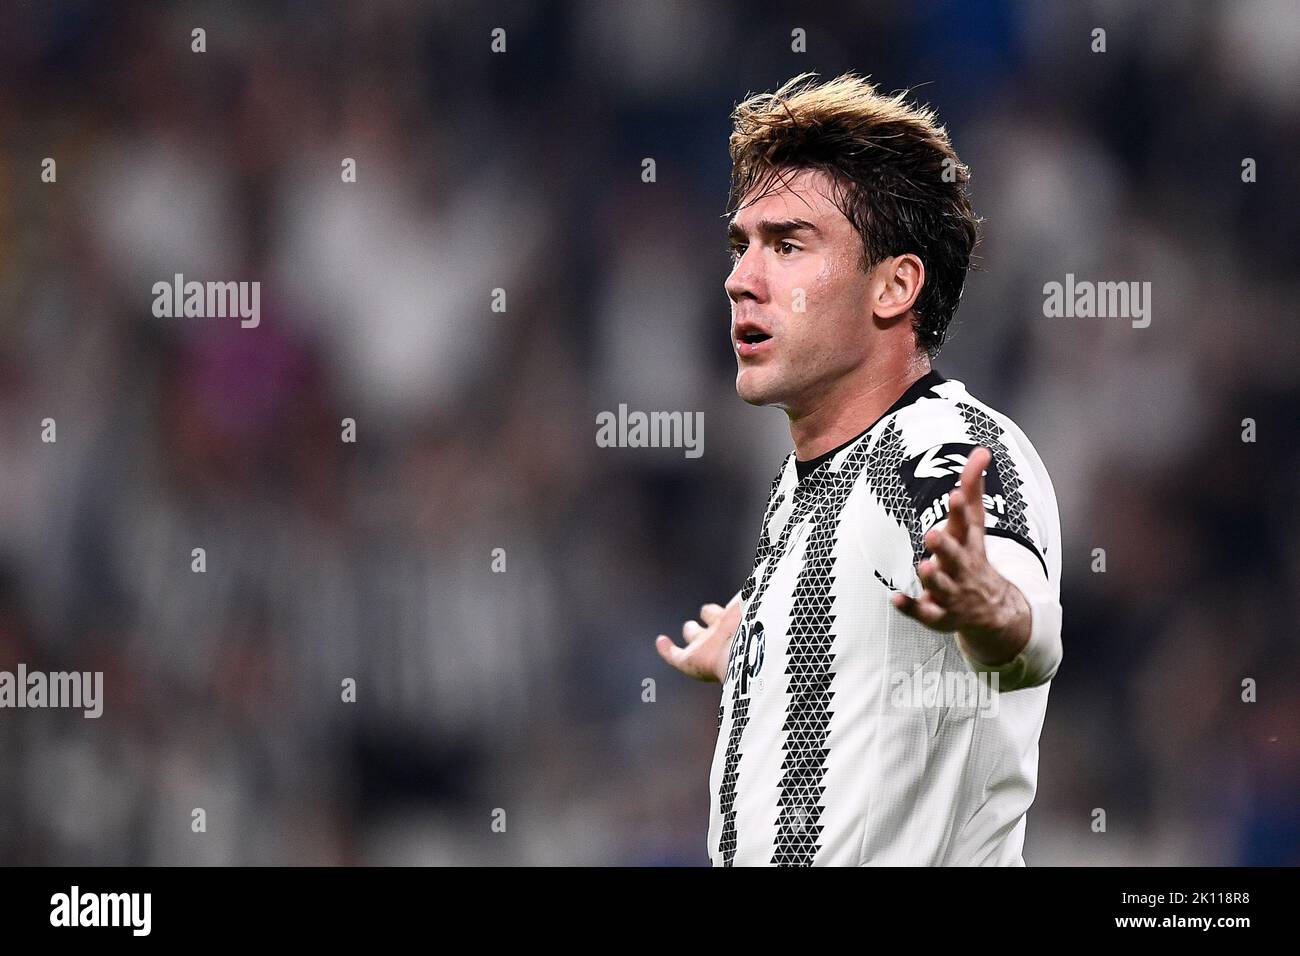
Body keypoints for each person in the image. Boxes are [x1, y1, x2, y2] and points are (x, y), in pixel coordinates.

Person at [655, 73, 1063, 866]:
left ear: (894, 286)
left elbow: (1027, 629)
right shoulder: (802, 491)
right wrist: (757, 641)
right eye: (743, 245)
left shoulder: (936, 444)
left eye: (788, 244)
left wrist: (993, 607)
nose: (741, 277)